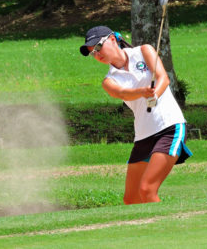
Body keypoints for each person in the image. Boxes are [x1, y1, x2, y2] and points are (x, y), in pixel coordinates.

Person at [79, 26, 193, 204]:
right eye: (93, 53)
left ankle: (167, 229)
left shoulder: (144, 51)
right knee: (131, 198)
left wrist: (155, 93)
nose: (97, 54)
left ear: (112, 39)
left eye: (98, 47)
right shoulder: (109, 81)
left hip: (169, 127)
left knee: (147, 190)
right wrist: (142, 92)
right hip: (143, 136)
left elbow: (163, 78)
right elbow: (123, 93)